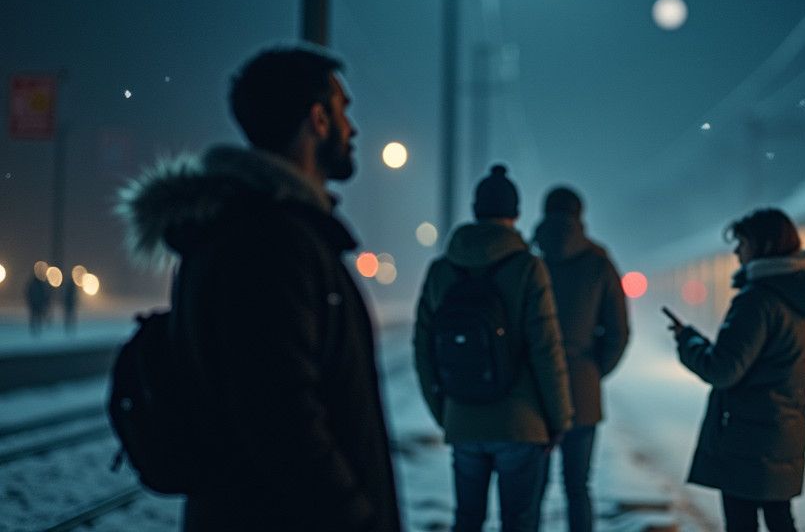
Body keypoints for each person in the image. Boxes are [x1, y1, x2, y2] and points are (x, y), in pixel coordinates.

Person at [117, 45, 401, 532]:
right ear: (317, 120)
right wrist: (356, 518)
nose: (352, 129)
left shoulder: (244, 231)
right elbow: (283, 419)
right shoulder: (272, 243)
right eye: (343, 111)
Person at [413, 164, 573, 532]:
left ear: (475, 210)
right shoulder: (529, 269)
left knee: (467, 520)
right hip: (522, 423)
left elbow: (423, 348)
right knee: (518, 522)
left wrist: (445, 412)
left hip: (463, 417)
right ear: (515, 214)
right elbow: (546, 348)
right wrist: (559, 418)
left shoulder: (441, 270)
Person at [669, 207, 805, 532]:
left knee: (743, 523)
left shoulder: (756, 301)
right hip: (783, 428)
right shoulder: (797, 296)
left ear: (761, 246)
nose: (736, 252)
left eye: (741, 243)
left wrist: (688, 341)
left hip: (748, 435)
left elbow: (723, 369)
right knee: (779, 518)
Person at [531, 186, 631, 532]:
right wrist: (592, 369)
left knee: (532, 490)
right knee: (578, 487)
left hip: (535, 389)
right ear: (580, 215)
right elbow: (619, 331)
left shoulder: (530, 259)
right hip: (582, 391)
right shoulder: (599, 263)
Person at [26, 271, 50, 336]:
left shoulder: (31, 284)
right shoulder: (40, 285)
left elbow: (28, 293)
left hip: (34, 304)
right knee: (37, 317)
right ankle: (37, 329)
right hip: (38, 304)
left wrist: (30, 301)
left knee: (34, 317)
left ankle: (34, 329)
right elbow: (44, 294)